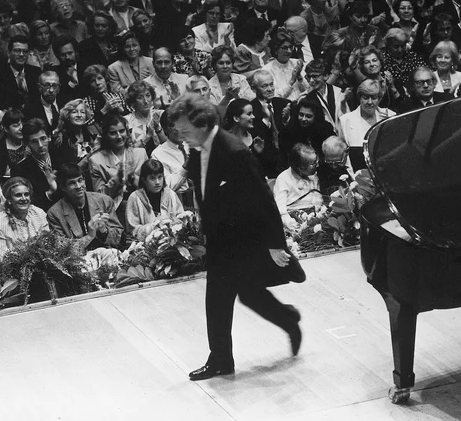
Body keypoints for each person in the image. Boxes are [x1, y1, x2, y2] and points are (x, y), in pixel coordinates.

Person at [167, 93, 302, 381]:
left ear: (202, 124)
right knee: (220, 300)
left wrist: (276, 244)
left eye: (185, 130)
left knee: (246, 295)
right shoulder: (198, 148)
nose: (181, 136)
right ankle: (222, 360)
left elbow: (264, 198)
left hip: (245, 240)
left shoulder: (234, 151)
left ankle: (288, 321)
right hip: (220, 240)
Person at [46, 162, 123, 250]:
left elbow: (118, 239)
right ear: (63, 187)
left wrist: (104, 231)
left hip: (107, 255)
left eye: (80, 180)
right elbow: (62, 250)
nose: (78, 186)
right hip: (77, 260)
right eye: (72, 183)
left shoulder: (104, 201)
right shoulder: (55, 213)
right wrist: (89, 236)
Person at [89, 113, 148, 211]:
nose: (119, 136)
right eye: (113, 133)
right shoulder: (96, 161)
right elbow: (100, 197)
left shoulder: (140, 154)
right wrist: (117, 178)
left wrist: (132, 177)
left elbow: (149, 186)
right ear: (106, 135)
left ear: (127, 132)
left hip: (142, 206)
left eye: (122, 131)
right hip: (114, 210)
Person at [124, 159, 183, 241]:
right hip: (146, 245)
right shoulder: (135, 197)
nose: (157, 182)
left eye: (160, 177)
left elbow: (181, 220)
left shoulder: (171, 194)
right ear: (144, 180)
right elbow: (132, 230)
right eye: (152, 178)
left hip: (172, 241)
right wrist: (154, 226)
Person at [0, 177, 49, 256]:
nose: (24, 198)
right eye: (18, 195)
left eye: (26, 194)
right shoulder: (0, 221)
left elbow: (48, 246)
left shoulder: (39, 213)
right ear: (9, 200)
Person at [273, 143, 323, 232]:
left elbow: (318, 199)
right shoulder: (283, 179)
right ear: (301, 168)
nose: (317, 165)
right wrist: (294, 226)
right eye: (313, 163)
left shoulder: (314, 176)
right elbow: (280, 210)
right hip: (294, 225)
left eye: (317, 160)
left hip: (316, 221)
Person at [338, 79, 396, 147]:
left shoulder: (391, 116)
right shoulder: (345, 121)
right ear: (360, 98)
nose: (370, 102)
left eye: (374, 98)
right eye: (365, 98)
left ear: (379, 99)